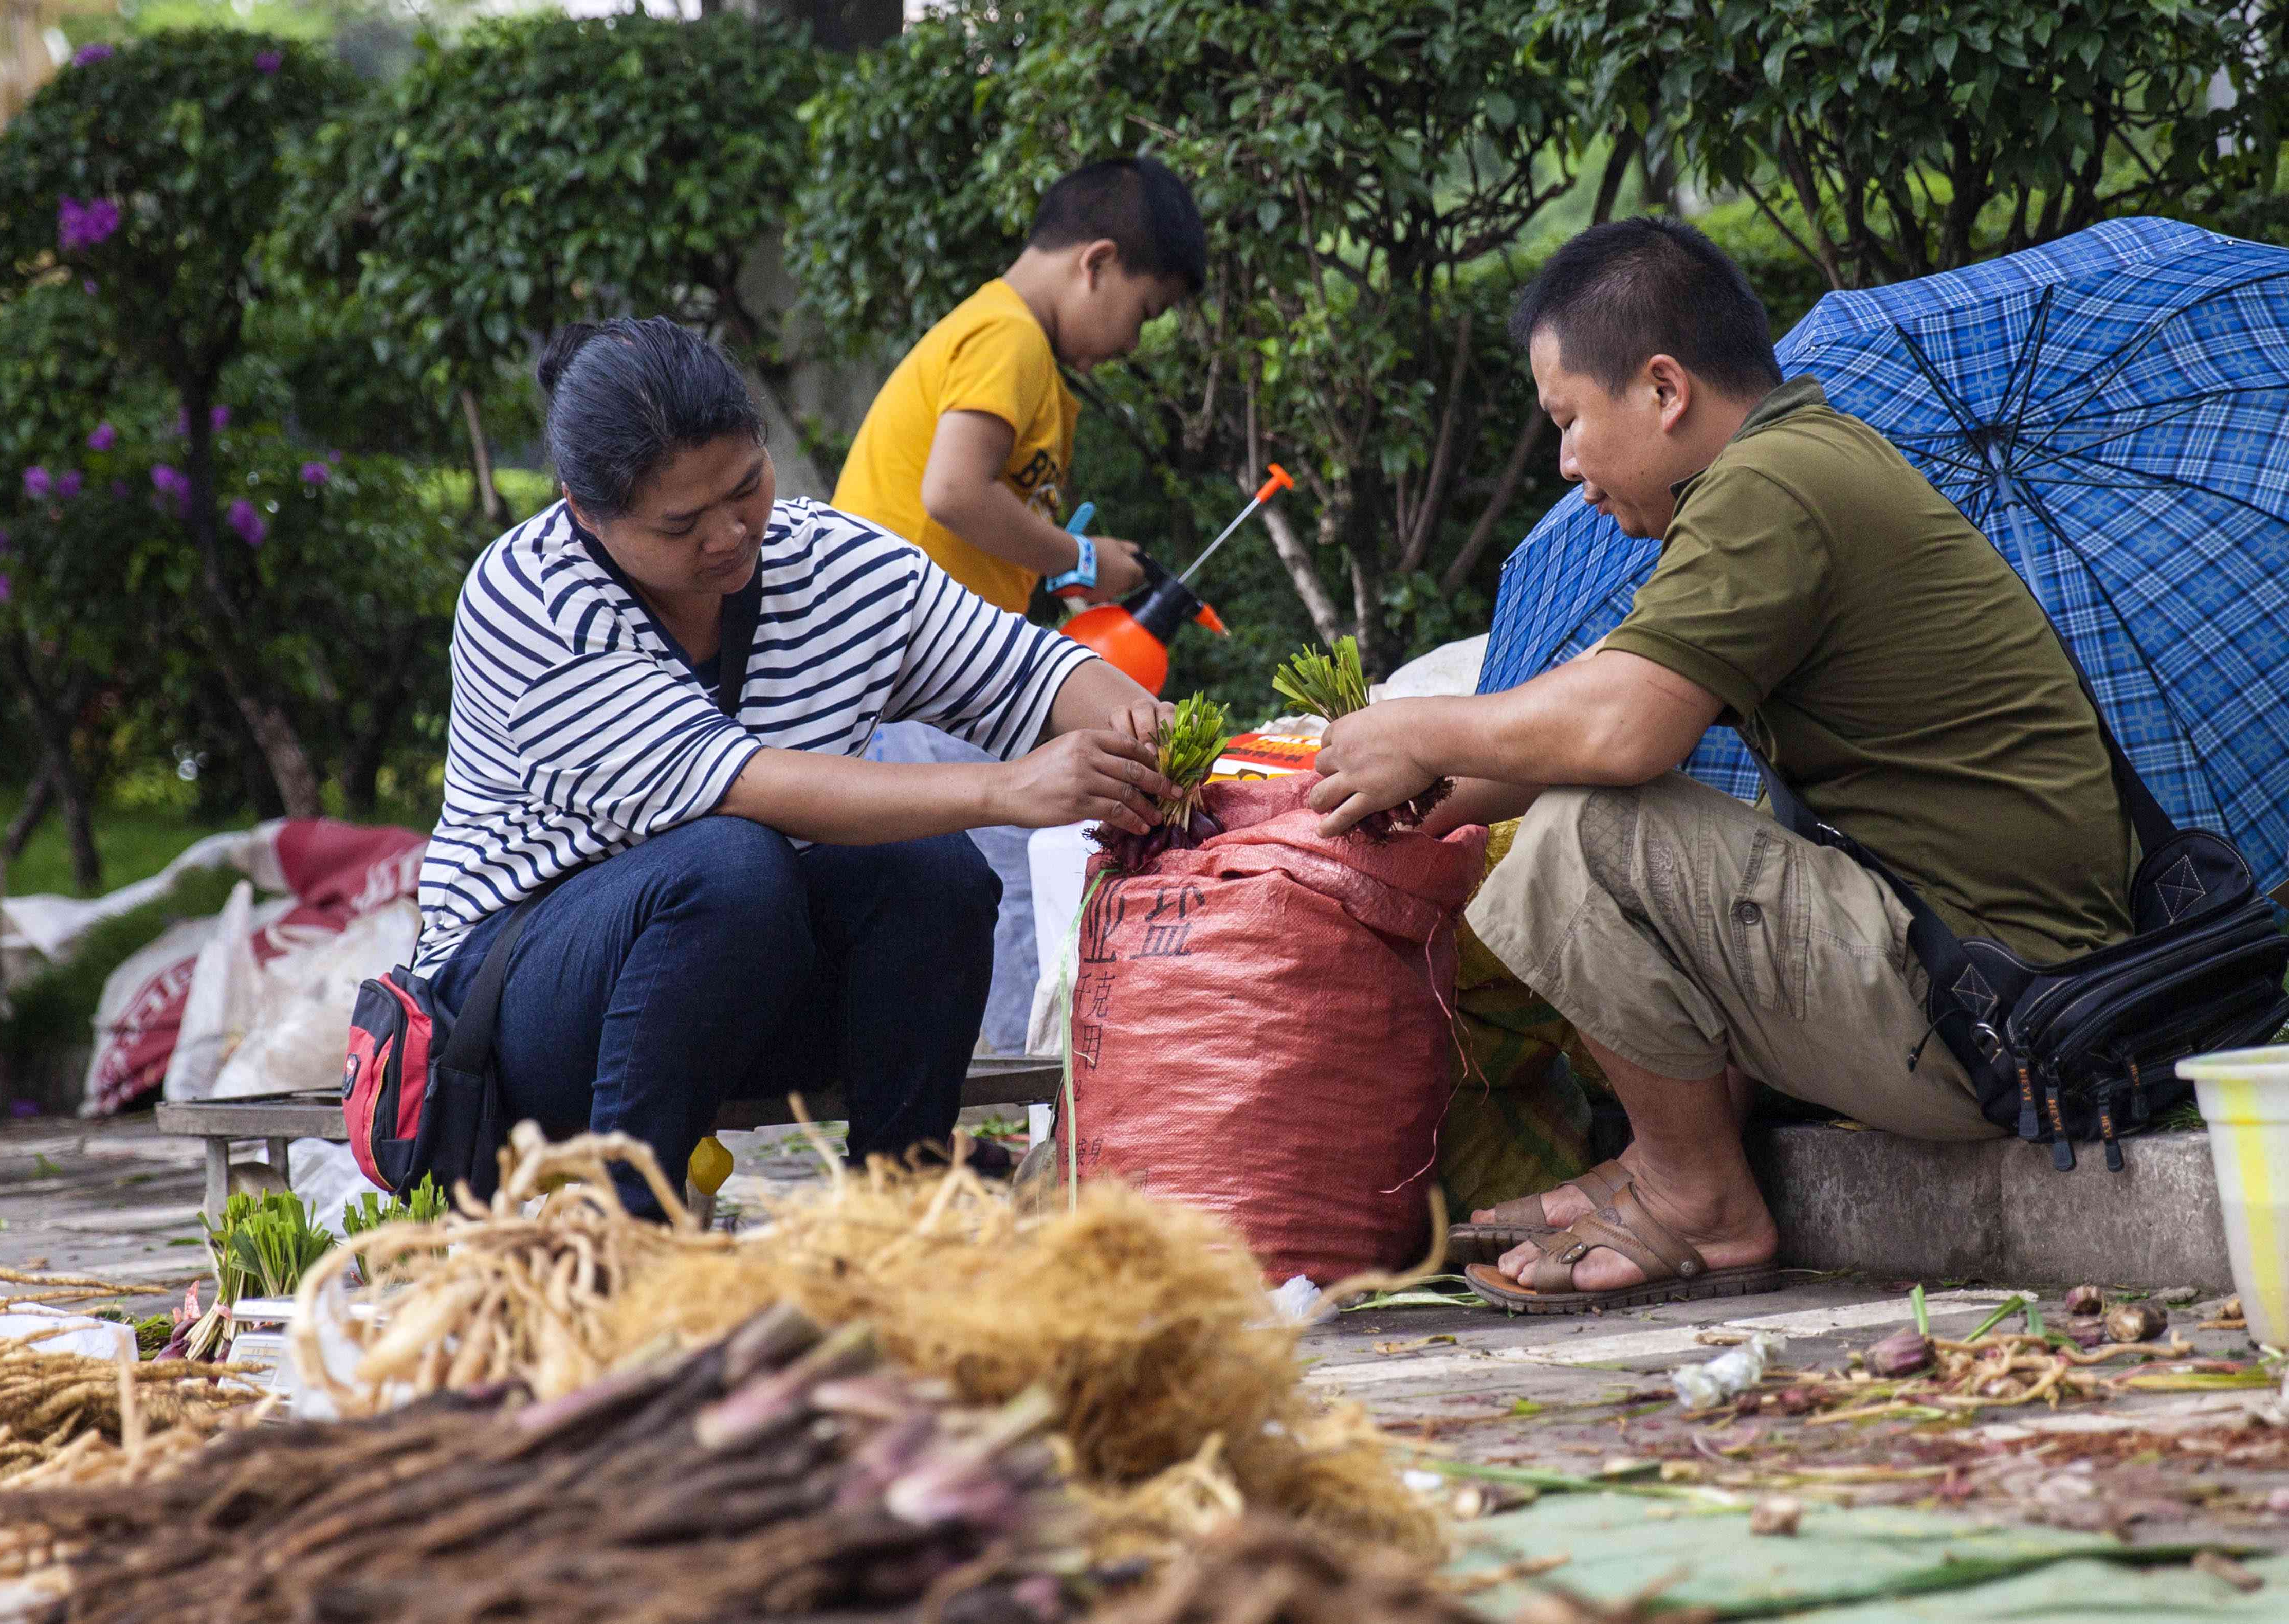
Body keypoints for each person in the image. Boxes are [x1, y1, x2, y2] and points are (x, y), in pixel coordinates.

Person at [1307, 218, 2132, 1311]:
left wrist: (1420, 730)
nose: (1565, 464)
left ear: (1662, 389)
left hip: (1993, 1016)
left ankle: (1700, 1198)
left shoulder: (1771, 489)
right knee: (1586, 801)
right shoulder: (1789, 469)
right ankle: (1664, 1166)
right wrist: (1379, 798)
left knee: (1583, 838)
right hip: (1992, 987)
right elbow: (1582, 705)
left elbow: (1619, 733)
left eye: (1568, 422)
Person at [413, 317, 1171, 1213]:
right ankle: (628, 1236)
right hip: (524, 1015)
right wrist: (1008, 788)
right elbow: (736, 782)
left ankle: (898, 1207)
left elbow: (1031, 669)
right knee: (734, 861)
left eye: (746, 486)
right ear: (586, 512)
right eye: (682, 523)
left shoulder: (830, 558)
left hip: (734, 976)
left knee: (936, 875)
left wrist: (1167, 739)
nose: (732, 534)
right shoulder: (531, 597)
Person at [830, 155, 1208, 613]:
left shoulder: (1014, 340)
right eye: (1145, 314)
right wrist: (1081, 558)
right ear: (1098, 264)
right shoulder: (1009, 335)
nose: (1132, 342)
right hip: (887, 636)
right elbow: (954, 491)